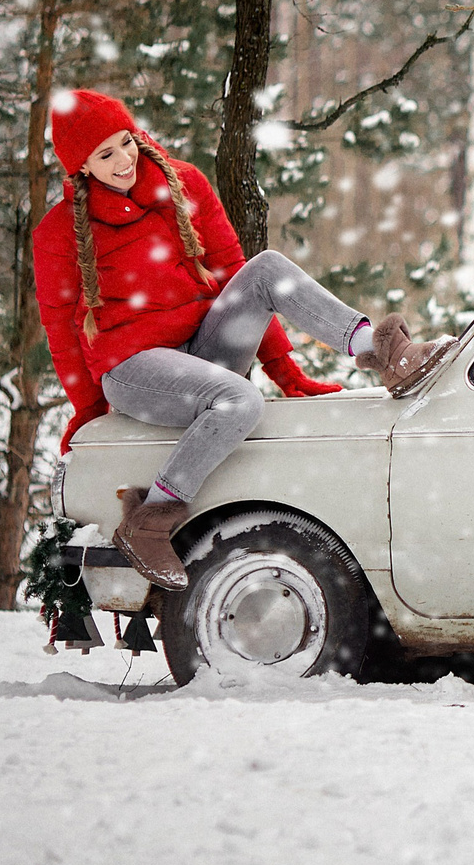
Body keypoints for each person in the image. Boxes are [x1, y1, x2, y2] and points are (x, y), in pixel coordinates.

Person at [31, 90, 447, 591]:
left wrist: (286, 374)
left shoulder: (184, 184)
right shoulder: (59, 232)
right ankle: (151, 519)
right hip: (132, 367)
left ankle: (380, 350)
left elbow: (236, 273)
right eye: (106, 154)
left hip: (201, 352)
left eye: (127, 142)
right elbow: (60, 330)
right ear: (81, 167)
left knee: (265, 268)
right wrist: (89, 411)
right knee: (238, 401)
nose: (124, 160)